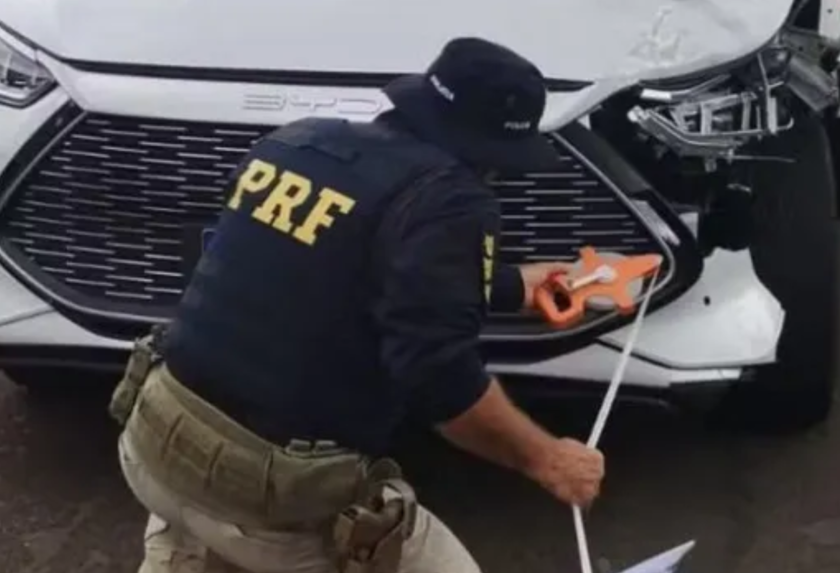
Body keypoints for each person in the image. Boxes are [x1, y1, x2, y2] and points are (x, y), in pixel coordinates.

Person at [108, 36, 606, 573]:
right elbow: (440, 376)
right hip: (266, 505)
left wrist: (519, 286)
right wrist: (548, 460)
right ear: (490, 151)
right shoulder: (451, 198)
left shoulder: (299, 142)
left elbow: (337, 270)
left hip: (152, 446)